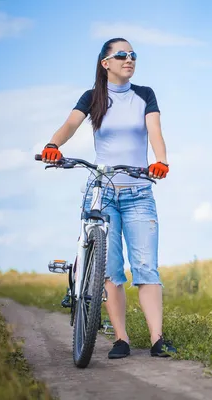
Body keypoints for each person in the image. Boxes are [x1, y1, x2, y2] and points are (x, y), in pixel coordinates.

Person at [40, 37, 176, 359]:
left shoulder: (144, 96)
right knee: (111, 268)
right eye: (122, 55)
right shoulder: (93, 98)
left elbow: (155, 132)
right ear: (106, 63)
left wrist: (161, 160)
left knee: (145, 267)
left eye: (133, 55)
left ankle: (158, 339)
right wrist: (53, 145)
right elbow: (70, 124)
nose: (129, 60)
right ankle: (121, 339)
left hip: (139, 191)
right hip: (102, 192)